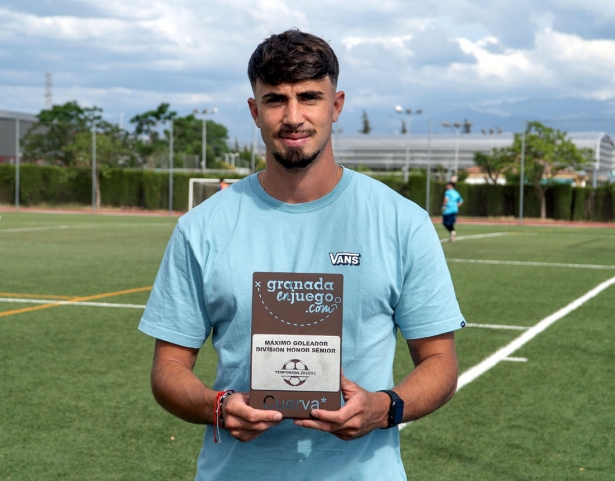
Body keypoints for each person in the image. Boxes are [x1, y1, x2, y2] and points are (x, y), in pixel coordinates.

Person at [139, 29, 465, 480]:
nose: (293, 117)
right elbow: (169, 368)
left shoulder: (401, 222)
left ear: (336, 105)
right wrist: (215, 406)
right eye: (275, 100)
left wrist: (382, 408)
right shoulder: (201, 227)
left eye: (309, 97)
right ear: (255, 111)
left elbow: (440, 362)